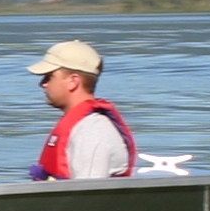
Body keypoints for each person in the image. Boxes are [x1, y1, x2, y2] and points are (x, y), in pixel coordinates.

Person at [26, 39, 137, 180]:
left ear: (73, 81)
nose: (43, 84)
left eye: (49, 77)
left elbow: (89, 196)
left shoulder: (93, 130)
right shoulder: (83, 126)